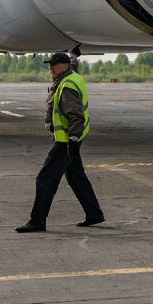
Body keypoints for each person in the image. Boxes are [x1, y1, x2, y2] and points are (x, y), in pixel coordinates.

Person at [16, 51, 105, 232]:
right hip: (72, 139)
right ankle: (94, 214)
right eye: (49, 64)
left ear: (64, 66)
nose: (50, 68)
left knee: (45, 178)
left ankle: (37, 220)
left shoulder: (67, 86)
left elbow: (76, 115)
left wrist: (72, 139)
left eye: (54, 64)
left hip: (66, 141)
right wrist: (74, 54)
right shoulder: (72, 75)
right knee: (75, 176)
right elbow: (72, 62)